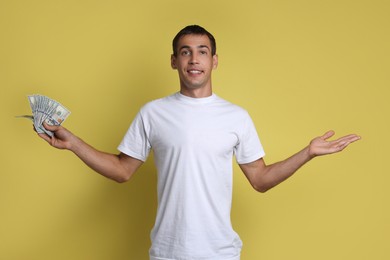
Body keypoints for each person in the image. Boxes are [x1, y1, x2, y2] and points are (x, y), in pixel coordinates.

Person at [38, 25, 360, 260]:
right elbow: (123, 170)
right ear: (174, 61)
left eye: (202, 52)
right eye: (186, 52)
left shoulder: (236, 117)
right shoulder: (153, 113)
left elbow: (260, 180)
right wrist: (73, 143)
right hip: (167, 252)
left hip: (220, 253)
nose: (194, 59)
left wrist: (308, 153)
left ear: (214, 61)